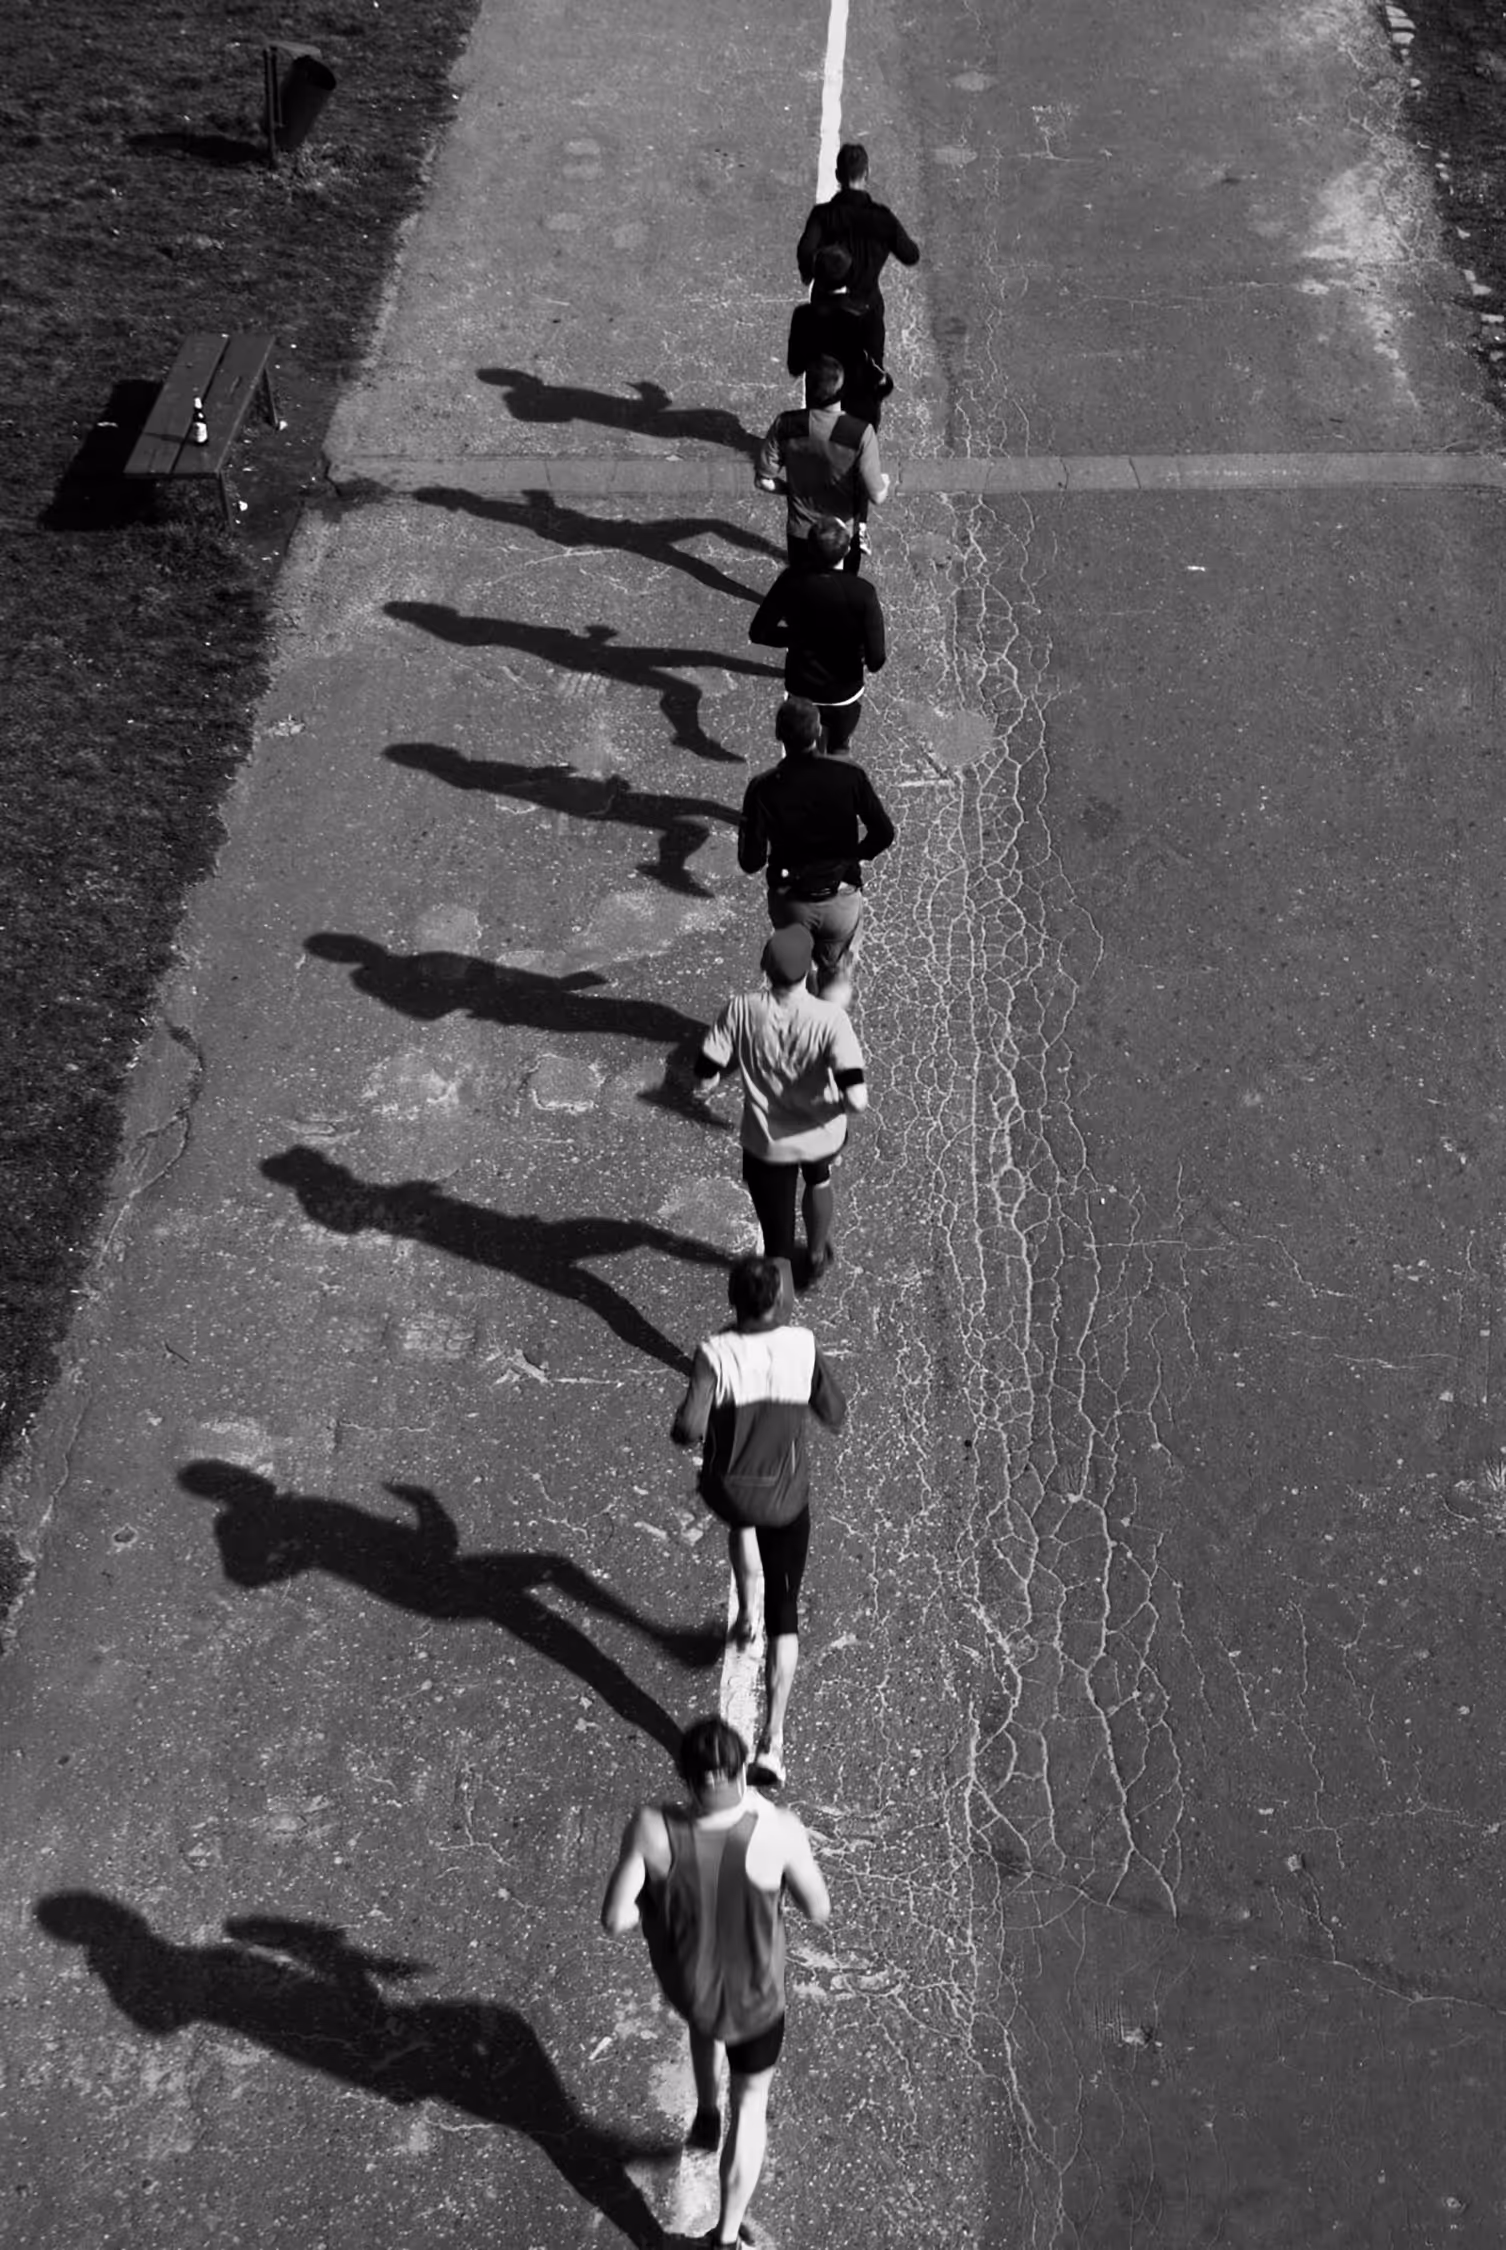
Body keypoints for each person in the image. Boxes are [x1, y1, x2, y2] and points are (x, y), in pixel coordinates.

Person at [601, 1716, 832, 2249]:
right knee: (751, 2107)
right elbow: (817, 1909)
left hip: (691, 1990)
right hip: (756, 2002)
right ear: (742, 1771)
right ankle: (726, 2241)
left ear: (685, 1778)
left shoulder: (651, 1828)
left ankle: (706, 2111)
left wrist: (659, 1900)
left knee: (706, 2027)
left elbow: (615, 1919)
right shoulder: (778, 1829)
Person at [672, 1255, 848, 1777]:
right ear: (776, 1301)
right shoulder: (802, 1345)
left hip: (730, 1491)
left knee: (743, 1521)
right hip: (787, 1497)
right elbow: (834, 1414)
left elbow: (688, 1430)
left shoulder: (713, 1353)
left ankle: (745, 1615)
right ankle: (772, 1741)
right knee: (786, 1611)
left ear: (732, 1300)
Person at [694, 922, 869, 1281]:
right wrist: (839, 1106)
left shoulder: (740, 1009)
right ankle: (818, 1253)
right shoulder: (831, 1019)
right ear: (808, 970)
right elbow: (857, 1098)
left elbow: (706, 1072)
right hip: (821, 1133)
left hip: (767, 1143)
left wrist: (706, 1084)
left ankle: (776, 1315)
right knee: (819, 1178)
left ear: (765, 966)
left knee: (777, 1247)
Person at [737, 697, 895, 998]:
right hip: (841, 898)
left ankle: (799, 1008)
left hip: (791, 901)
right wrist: (856, 856)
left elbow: (751, 860)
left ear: (778, 735)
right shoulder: (849, 776)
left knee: (791, 975)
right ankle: (826, 1029)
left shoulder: (763, 787)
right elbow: (884, 833)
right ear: (818, 732)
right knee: (835, 974)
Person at [748, 519, 887, 755]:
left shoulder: (790, 581)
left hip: (801, 687)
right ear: (847, 549)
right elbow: (876, 660)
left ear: (810, 549)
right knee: (838, 749)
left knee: (799, 752)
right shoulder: (863, 592)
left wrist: (797, 637)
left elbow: (759, 632)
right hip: (843, 692)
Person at [755, 354, 888, 573]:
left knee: (805, 592)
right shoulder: (861, 433)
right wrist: (884, 482)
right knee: (842, 591)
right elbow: (877, 496)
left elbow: (763, 481)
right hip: (843, 535)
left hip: (801, 532)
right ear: (843, 390)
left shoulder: (785, 424)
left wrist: (791, 490)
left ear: (808, 390)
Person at [796, 142, 921, 365]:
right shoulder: (882, 219)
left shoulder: (823, 216)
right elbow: (911, 255)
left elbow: (805, 252)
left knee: (825, 383)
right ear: (867, 173)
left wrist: (809, 273)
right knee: (868, 384)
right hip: (867, 313)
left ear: (837, 175)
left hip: (828, 311)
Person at [786, 244, 890, 429]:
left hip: (822, 407)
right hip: (860, 412)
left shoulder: (803, 316)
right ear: (851, 277)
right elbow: (876, 365)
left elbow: (795, 366)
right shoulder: (867, 316)